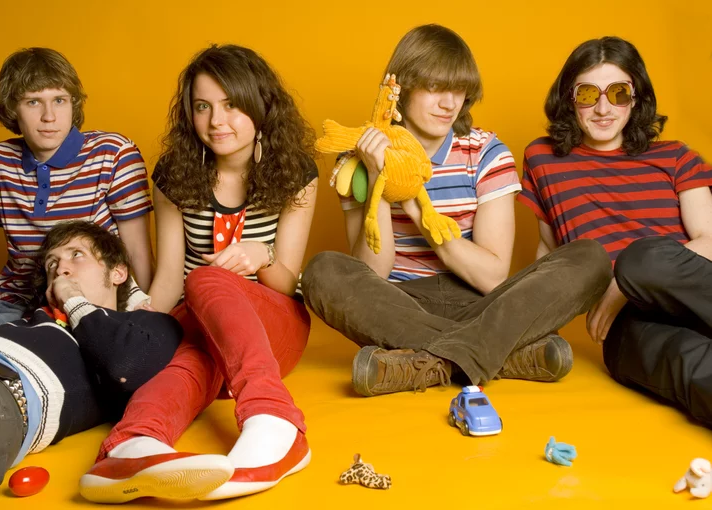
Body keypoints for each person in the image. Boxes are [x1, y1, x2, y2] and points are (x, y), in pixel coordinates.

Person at [302, 24, 612, 397]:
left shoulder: (485, 152)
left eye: (458, 89)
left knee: (590, 258)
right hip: (399, 307)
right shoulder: (357, 158)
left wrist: (415, 202)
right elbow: (373, 271)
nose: (449, 103)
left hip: (485, 304)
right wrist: (379, 179)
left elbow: (493, 276)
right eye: (435, 87)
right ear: (402, 88)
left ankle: (424, 363)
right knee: (322, 271)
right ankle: (501, 356)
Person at [79, 44, 318, 503]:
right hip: (202, 321)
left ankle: (274, 420)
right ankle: (133, 445)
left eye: (232, 105)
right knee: (189, 356)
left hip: (274, 326)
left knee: (206, 279)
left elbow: (288, 283)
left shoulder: (295, 172)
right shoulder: (176, 173)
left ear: (261, 105)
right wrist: (143, 325)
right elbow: (169, 274)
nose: (217, 121)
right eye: (203, 107)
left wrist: (262, 255)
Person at [519, 36, 712, 427]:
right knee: (691, 366)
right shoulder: (543, 160)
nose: (603, 108)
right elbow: (550, 254)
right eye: (588, 94)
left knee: (641, 258)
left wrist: (624, 283)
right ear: (569, 99)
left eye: (618, 92)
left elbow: (708, 239)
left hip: (685, 284)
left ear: (635, 98)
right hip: (625, 327)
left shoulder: (675, 156)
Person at [0, 221, 191, 508]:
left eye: (77, 255)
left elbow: (126, 369)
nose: (60, 269)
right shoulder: (30, 318)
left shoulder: (144, 325)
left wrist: (74, 299)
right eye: (52, 264)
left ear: (118, 272)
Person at [0, 47, 153, 339]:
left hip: (89, 305)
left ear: (73, 104)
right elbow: (19, 256)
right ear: (13, 109)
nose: (49, 116)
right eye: (33, 102)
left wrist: (140, 321)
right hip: (17, 307)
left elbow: (137, 252)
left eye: (59, 100)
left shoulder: (114, 153)